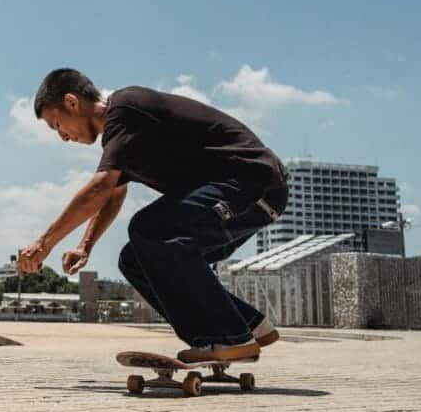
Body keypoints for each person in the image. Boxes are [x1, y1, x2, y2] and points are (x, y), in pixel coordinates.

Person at [16, 68, 288, 362]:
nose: (63, 138)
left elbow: (100, 187)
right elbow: (112, 195)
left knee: (150, 229)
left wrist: (44, 243)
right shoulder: (122, 139)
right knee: (134, 260)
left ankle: (230, 337)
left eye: (58, 125)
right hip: (241, 196)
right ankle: (247, 327)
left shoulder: (126, 109)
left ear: (71, 102)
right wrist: (85, 245)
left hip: (253, 184)